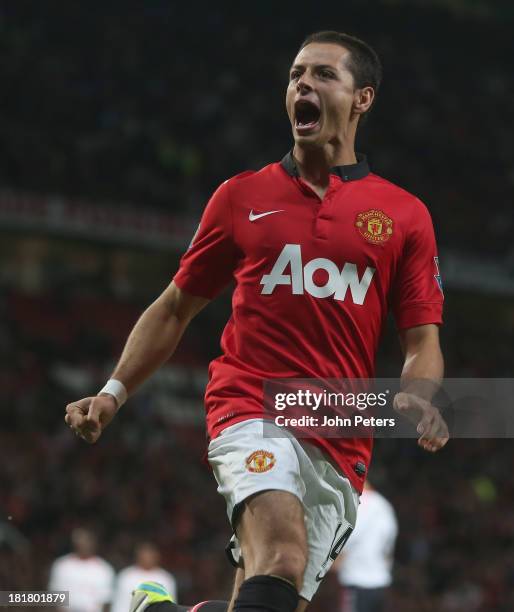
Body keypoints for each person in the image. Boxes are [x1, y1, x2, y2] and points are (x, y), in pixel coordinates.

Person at [65, 30, 449, 612]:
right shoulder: (241, 197)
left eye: (323, 75)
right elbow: (175, 307)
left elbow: (422, 339)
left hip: (340, 431)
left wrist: (420, 393)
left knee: (271, 596)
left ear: (362, 99)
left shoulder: (404, 215)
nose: (303, 85)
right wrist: (114, 392)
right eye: (297, 75)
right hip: (252, 403)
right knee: (282, 557)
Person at [333, 481, 398, 612]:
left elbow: (345, 543)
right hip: (381, 583)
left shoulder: (356, 504)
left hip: (355, 581)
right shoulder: (385, 506)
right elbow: (388, 550)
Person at [48, 527, 115, 612]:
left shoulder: (104, 569)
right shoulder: (62, 565)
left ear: (94, 542)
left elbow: (105, 602)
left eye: (88, 540)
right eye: (81, 539)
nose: (84, 544)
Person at [111, 543, 177, 612]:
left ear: (157, 556)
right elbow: (120, 605)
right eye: (144, 554)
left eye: (150, 554)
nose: (147, 557)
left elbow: (171, 606)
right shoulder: (126, 576)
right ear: (137, 555)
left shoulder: (165, 578)